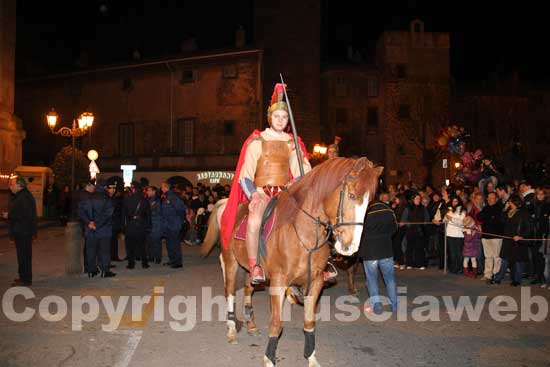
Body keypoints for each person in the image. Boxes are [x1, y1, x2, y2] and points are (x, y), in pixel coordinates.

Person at [221, 83, 311, 284]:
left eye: (284, 117)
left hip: (286, 193)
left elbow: (303, 173)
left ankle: (318, 261)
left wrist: (297, 180)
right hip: (262, 192)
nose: (280, 120)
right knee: (254, 221)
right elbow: (245, 175)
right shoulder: (257, 141)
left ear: (288, 121)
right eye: (277, 117)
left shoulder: (292, 142)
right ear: (270, 118)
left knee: (312, 216)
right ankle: (254, 266)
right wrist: (254, 194)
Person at [358, 200, 399, 314]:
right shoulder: (388, 210)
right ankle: (394, 305)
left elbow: (360, 230)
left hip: (369, 250)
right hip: (385, 248)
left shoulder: (365, 212)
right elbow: (395, 228)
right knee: (389, 279)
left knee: (372, 279)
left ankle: (376, 306)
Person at [1, 176, 37, 286]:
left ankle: (25, 280)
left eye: (12, 184)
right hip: (23, 231)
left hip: (23, 232)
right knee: (23, 256)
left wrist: (9, 215)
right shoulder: (22, 195)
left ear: (19, 185)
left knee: (24, 256)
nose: (10, 187)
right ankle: (23, 277)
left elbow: (24, 215)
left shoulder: (24, 197)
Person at [79, 180, 116, 278]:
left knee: (91, 250)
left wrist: (89, 223)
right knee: (104, 251)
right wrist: (97, 224)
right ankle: (104, 271)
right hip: (104, 229)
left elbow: (81, 212)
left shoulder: (88, 197)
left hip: (90, 229)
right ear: (104, 187)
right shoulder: (107, 199)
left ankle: (91, 271)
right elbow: (108, 214)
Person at [492, 195, 532, 286]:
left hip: (517, 240)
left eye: (509, 202)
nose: (508, 203)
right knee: (504, 260)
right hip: (507, 239)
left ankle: (517, 280)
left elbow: (529, 228)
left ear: (514, 202)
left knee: (517, 261)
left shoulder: (524, 213)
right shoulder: (509, 212)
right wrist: (504, 210)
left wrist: (521, 236)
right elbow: (502, 221)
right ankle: (498, 278)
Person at [123, 182, 151, 269]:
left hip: (130, 224)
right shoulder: (145, 200)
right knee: (142, 245)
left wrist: (124, 225)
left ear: (133, 189)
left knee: (130, 245)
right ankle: (144, 263)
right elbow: (148, 214)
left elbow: (123, 213)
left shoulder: (127, 199)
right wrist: (148, 225)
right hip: (141, 224)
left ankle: (131, 264)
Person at [477, 192, 504, 281]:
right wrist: (489, 217)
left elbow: (497, 220)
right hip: (486, 235)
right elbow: (479, 216)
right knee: (488, 256)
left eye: (492, 198)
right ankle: (487, 274)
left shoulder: (500, 208)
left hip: (496, 236)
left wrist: (489, 217)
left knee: (496, 256)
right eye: (488, 198)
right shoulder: (486, 208)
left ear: (496, 199)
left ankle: (496, 274)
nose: (489, 199)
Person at [161, 181, 186, 268]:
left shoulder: (173, 197)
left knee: (175, 243)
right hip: (167, 224)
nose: (161, 188)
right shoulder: (166, 196)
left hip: (174, 224)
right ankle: (172, 260)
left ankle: (178, 262)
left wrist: (179, 220)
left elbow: (181, 210)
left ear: (166, 187)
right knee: (169, 244)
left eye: (162, 187)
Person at [401, 192, 430, 269]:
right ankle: (409, 263)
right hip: (410, 231)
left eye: (419, 199)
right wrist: (408, 224)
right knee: (410, 247)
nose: (418, 200)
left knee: (420, 248)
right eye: (416, 198)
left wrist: (424, 224)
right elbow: (404, 220)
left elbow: (427, 219)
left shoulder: (423, 208)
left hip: (420, 230)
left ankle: (420, 264)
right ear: (412, 199)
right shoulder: (408, 209)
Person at [443, 196, 466, 274]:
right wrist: (446, 218)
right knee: (452, 253)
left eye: (456, 201)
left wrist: (451, 219)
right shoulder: (450, 210)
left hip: (459, 234)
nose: (454, 203)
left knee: (459, 253)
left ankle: (460, 268)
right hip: (450, 234)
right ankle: (453, 268)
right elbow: (444, 220)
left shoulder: (462, 211)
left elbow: (461, 222)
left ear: (459, 202)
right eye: (453, 201)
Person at [146, 186, 163, 264]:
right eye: (147, 190)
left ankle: (158, 257)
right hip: (149, 223)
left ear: (154, 191)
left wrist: (149, 212)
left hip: (156, 223)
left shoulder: (158, 200)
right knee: (149, 241)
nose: (147, 192)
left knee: (156, 241)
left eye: (149, 190)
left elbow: (159, 212)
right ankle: (151, 256)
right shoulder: (147, 200)